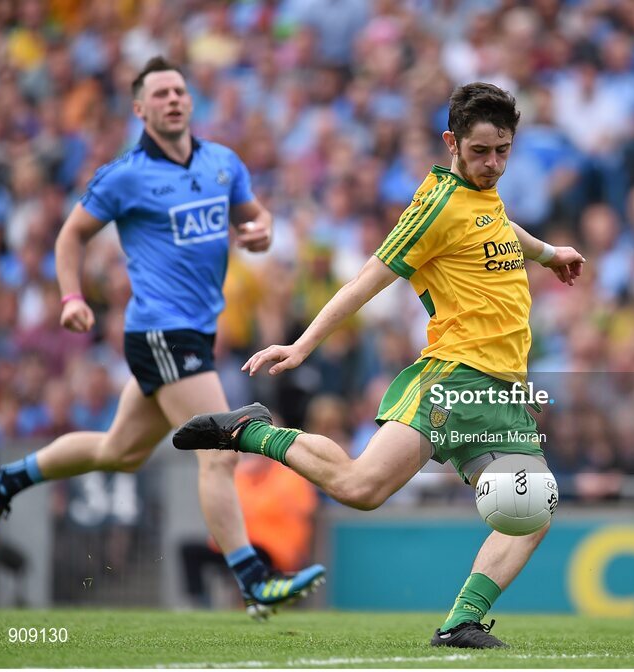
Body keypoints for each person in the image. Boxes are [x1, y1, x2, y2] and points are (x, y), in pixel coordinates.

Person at [174, 82, 585, 648]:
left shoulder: (482, 197)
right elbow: (368, 278)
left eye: (503, 150)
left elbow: (496, 228)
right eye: (480, 151)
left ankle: (461, 622)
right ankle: (253, 431)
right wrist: (303, 344)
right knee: (360, 488)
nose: (493, 164)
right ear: (452, 143)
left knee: (534, 507)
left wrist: (548, 253)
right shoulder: (434, 205)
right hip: (453, 378)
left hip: (500, 392)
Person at [0, 56, 325, 620]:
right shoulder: (126, 175)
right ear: (140, 109)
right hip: (159, 330)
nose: (173, 99)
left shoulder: (221, 162)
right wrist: (72, 297)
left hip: (194, 336)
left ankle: (4, 481)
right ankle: (254, 582)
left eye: (179, 90)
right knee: (221, 450)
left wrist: (262, 232)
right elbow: (70, 237)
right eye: (159, 94)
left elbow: (257, 216)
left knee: (120, 451)